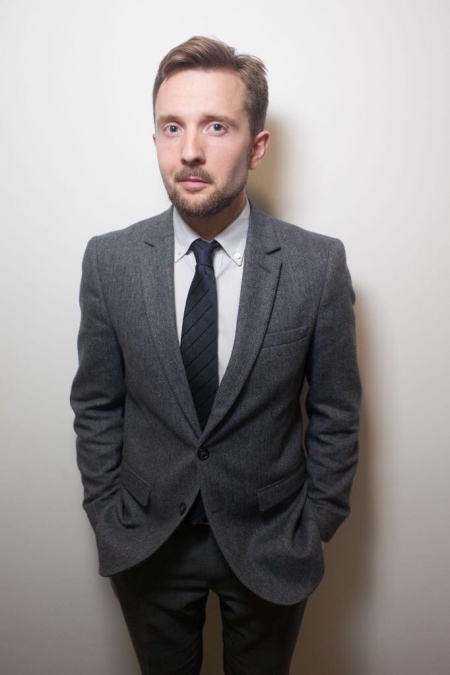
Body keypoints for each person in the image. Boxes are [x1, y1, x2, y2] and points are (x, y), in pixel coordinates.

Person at [70, 35, 361, 675]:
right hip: (147, 542)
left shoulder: (317, 265)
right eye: (172, 127)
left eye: (217, 126)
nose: (190, 151)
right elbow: (96, 404)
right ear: (155, 138)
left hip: (270, 543)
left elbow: (336, 413)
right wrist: (107, 512)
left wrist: (313, 522)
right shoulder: (110, 261)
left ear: (257, 146)